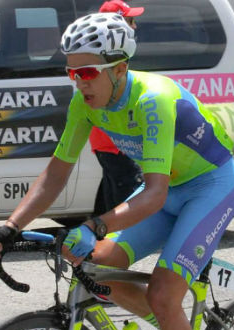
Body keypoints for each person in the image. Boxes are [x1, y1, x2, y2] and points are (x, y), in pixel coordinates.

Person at [0, 13, 234, 330]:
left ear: (119, 69)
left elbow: (154, 194)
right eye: (72, 73)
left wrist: (94, 225)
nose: (79, 83)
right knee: (92, 266)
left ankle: (171, 326)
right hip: (165, 192)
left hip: (209, 188)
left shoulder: (153, 100)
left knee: (163, 295)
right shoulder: (85, 105)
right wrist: (10, 227)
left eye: (86, 73)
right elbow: (56, 174)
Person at [91, 0, 145, 215]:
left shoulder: (105, 52)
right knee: (130, 206)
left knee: (112, 204)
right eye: (131, 21)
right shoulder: (112, 56)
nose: (135, 26)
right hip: (117, 141)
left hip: (110, 141)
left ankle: (104, 244)